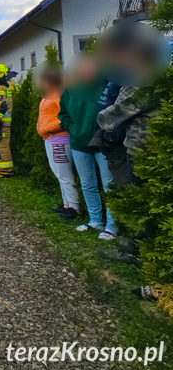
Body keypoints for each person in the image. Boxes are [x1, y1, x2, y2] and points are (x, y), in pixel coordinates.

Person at [58, 53, 115, 240]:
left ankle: (112, 226)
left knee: (109, 185)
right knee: (87, 184)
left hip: (103, 144)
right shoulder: (71, 89)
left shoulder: (107, 86)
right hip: (79, 144)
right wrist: (73, 129)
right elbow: (63, 114)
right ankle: (95, 221)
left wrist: (104, 131)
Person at [35, 62, 80, 220]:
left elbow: (66, 117)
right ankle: (66, 203)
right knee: (58, 174)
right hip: (50, 139)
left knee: (65, 174)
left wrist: (48, 128)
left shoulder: (60, 94)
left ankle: (74, 207)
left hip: (60, 139)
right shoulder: (48, 95)